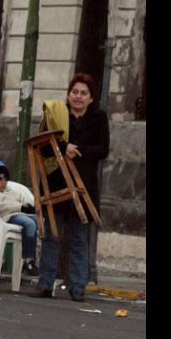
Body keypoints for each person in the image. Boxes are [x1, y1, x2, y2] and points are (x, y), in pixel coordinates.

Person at [30, 73, 109, 302]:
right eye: (75, 92)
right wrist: (63, 147)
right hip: (56, 183)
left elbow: (103, 149)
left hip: (83, 186)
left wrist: (78, 149)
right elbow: (43, 146)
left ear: (91, 98)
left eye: (84, 93)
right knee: (51, 236)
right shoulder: (57, 114)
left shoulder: (99, 118)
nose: (78, 97)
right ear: (68, 94)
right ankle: (45, 285)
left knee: (78, 237)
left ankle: (78, 288)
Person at [0, 161, 39, 276]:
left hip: (20, 215)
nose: (3, 182)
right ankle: (29, 259)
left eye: (5, 179)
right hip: (6, 218)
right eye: (0, 179)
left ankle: (34, 259)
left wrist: (30, 206)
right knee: (30, 224)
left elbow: (24, 199)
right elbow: (2, 207)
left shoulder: (11, 191)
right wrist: (21, 207)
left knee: (40, 222)